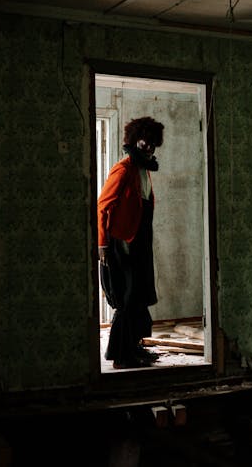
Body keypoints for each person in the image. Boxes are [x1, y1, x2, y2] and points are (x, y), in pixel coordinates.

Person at [97, 116, 164, 369]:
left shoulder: (144, 170)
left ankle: (133, 347)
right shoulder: (123, 169)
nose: (148, 147)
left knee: (141, 295)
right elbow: (102, 206)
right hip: (123, 243)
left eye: (152, 144)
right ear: (135, 139)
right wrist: (103, 244)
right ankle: (121, 357)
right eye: (144, 141)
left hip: (141, 242)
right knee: (127, 298)